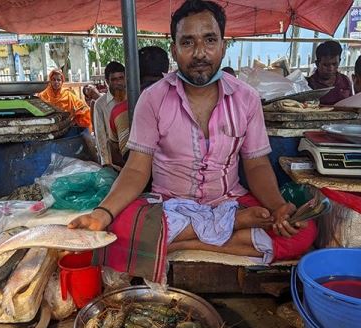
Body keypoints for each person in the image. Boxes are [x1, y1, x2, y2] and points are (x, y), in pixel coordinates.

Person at [69, 0, 316, 282]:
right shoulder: (153, 99)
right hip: (169, 204)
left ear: (223, 45)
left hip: (228, 201)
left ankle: (175, 243)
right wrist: (103, 213)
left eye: (209, 40)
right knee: (120, 226)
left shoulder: (246, 98)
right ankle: (230, 230)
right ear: (174, 50)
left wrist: (277, 207)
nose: (200, 53)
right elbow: (137, 169)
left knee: (303, 230)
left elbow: (257, 165)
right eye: (188, 43)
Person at [109, 46, 170, 165]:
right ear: (166, 70)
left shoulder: (118, 111)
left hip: (133, 176)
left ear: (134, 71)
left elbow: (115, 156)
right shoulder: (180, 103)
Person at [93, 62, 126, 166]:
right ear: (107, 81)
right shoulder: (100, 104)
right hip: (114, 159)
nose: (118, 83)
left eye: (121, 78)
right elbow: (100, 135)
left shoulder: (133, 97)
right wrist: (106, 163)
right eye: (114, 80)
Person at [307, 40, 352, 105]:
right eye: (325, 65)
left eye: (334, 64)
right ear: (317, 64)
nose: (331, 69)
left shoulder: (345, 81)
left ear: (339, 61)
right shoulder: (309, 84)